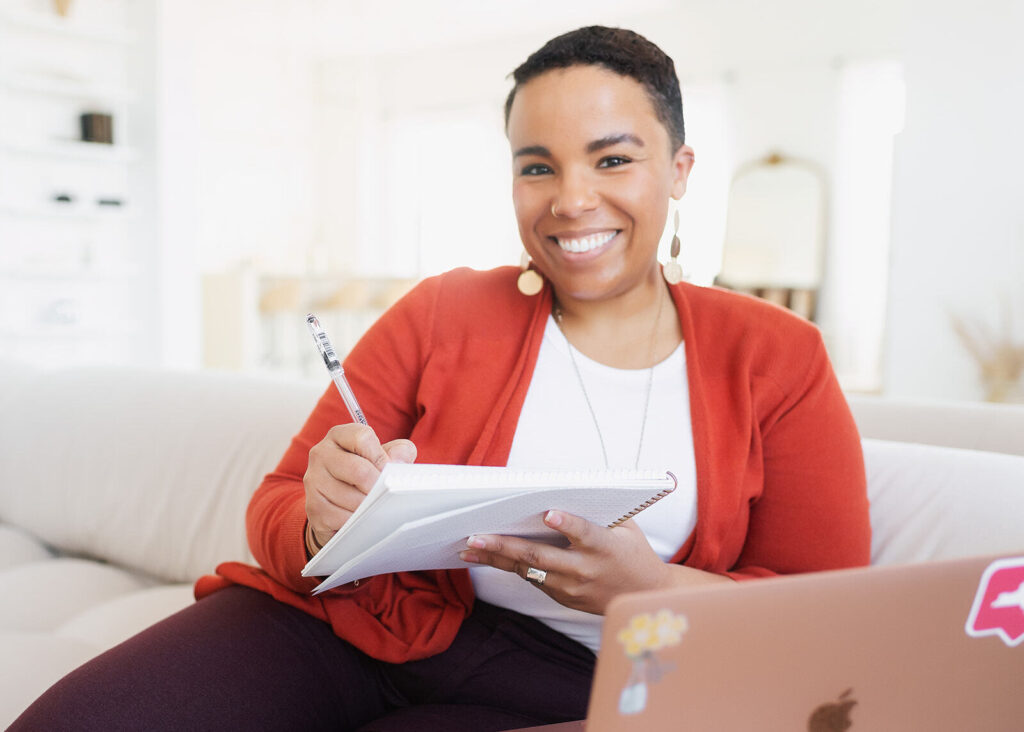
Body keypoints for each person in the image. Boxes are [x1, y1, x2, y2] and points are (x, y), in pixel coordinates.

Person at [11, 25, 869, 731]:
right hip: (355, 625)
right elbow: (276, 507)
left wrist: (655, 594)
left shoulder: (778, 357)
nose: (570, 198)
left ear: (679, 171)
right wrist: (320, 519)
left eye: (612, 160)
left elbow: (826, 622)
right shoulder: (442, 312)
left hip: (580, 680)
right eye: (538, 165)